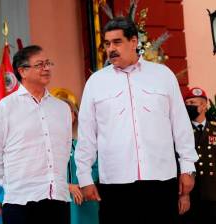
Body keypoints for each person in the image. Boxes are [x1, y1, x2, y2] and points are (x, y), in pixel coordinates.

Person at [75, 16, 198, 224]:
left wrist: (188, 168)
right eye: (107, 43)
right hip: (115, 184)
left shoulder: (163, 75)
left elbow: (181, 125)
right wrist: (84, 177)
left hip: (160, 180)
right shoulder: (96, 82)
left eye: (117, 42)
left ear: (133, 42)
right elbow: (87, 134)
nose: (111, 48)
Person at [0, 45, 72, 224]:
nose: (46, 68)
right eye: (39, 64)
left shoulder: (62, 108)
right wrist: (13, 183)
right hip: (20, 202)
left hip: (58, 199)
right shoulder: (4, 108)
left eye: (48, 63)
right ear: (22, 71)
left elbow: (64, 149)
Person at [181, 87, 216, 224]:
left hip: (213, 193)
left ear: (204, 105)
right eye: (187, 104)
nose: (188, 106)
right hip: (190, 194)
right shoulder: (181, 130)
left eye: (192, 103)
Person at [53, 89, 99, 224]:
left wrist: (84, 183)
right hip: (58, 197)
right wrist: (67, 186)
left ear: (74, 115)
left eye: (69, 112)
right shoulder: (48, 146)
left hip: (84, 196)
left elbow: (96, 166)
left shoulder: (84, 142)